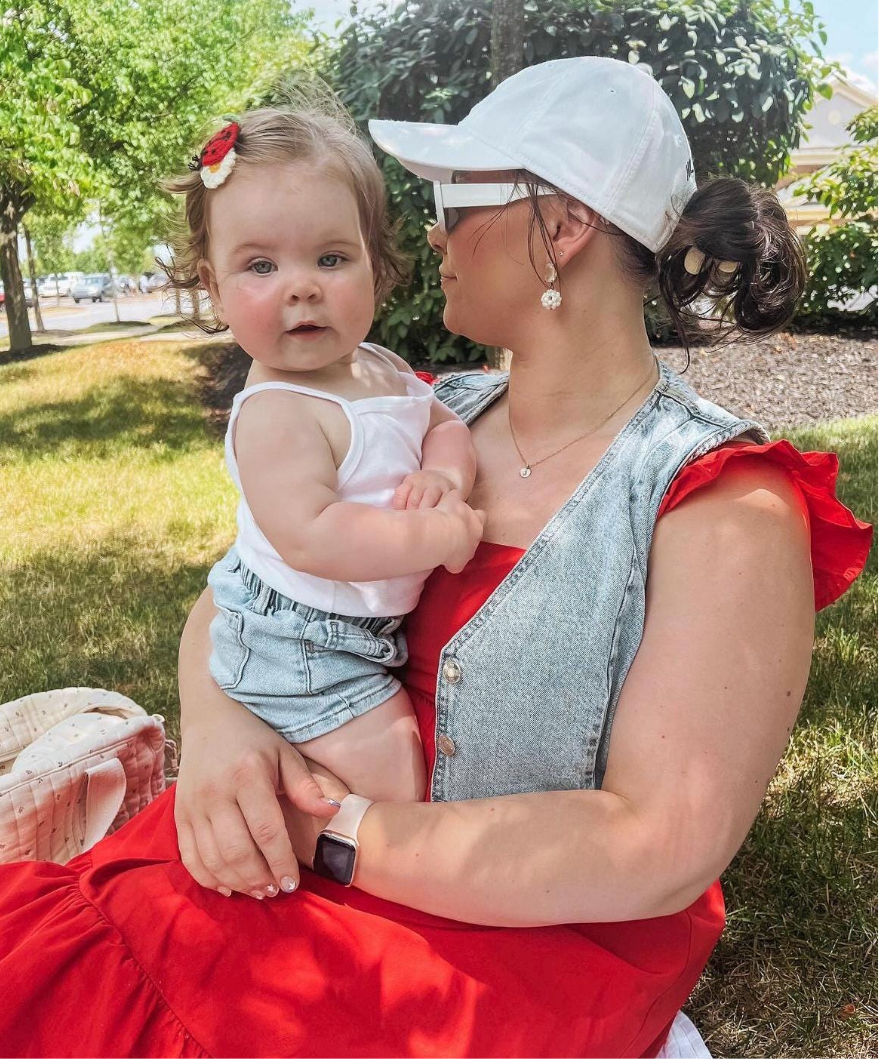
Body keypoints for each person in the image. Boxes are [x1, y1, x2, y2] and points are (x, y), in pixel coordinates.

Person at [0, 58, 871, 1059]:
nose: (429, 233)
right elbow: (249, 595)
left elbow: (656, 845)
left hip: (508, 949)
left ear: (561, 226)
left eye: (455, 200)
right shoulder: (419, 411)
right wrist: (226, 733)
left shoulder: (723, 499)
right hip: (297, 871)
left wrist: (328, 830)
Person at [164, 106, 481, 807]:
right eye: (260, 265)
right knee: (397, 771)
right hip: (297, 641)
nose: (301, 285)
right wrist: (428, 536)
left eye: (330, 258)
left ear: (376, 264)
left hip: (353, 627)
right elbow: (312, 536)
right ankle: (304, 832)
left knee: (394, 763)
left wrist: (442, 474)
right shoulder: (278, 412)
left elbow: (442, 422)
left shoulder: (378, 364)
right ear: (214, 290)